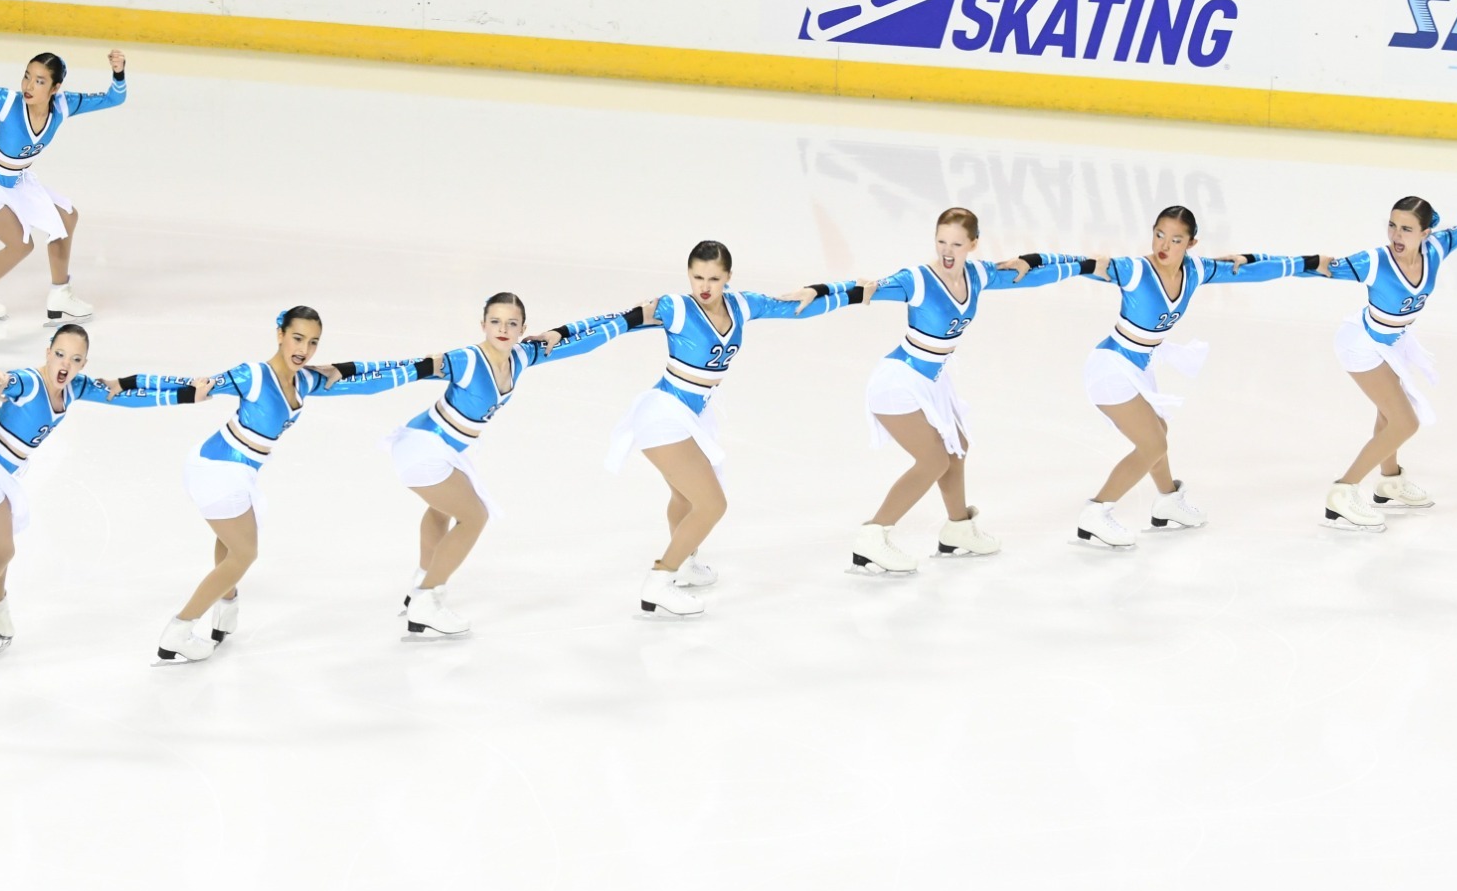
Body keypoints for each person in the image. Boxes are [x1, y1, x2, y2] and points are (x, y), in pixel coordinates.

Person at [534, 241, 857, 618]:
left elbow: (796, 308)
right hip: (663, 415)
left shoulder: (742, 305)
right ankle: (660, 581)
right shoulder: (675, 307)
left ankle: (685, 562)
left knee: (686, 500)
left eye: (714, 279)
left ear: (728, 277)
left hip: (694, 414)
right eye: (697, 277)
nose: (704, 286)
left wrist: (836, 291)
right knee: (712, 505)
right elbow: (617, 322)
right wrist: (561, 332)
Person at [156, 307, 431, 664]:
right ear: (280, 335)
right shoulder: (253, 375)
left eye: (313, 342)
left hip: (237, 471)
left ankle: (225, 608)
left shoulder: (305, 381)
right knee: (244, 553)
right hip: (216, 469)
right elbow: (192, 385)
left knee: (230, 542)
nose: (304, 349)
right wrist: (122, 387)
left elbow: (366, 382)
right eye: (298, 338)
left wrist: (418, 368)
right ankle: (179, 630)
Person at [0, 324, 193, 671]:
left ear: (84, 363)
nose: (66, 364)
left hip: (1, 473)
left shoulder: (75, 387)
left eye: (76, 359)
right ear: (48, 353)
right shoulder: (27, 382)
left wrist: (187, 394)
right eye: (60, 354)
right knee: (2, 552)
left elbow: (125, 396)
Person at [1048, 207, 1318, 547]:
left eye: (1176, 240)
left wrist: (1309, 263)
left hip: (1139, 366)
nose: (1164, 245)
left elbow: (1252, 272)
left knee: (1159, 431)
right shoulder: (1134, 270)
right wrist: (1032, 261)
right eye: (1159, 234)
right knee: (1153, 444)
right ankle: (1096, 512)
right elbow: (1076, 264)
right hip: (1110, 367)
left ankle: (1167, 501)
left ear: (1191, 243)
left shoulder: (1196, 270)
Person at [836, 209, 1084, 574]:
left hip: (933, 380)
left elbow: (1030, 276)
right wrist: (823, 291)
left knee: (957, 447)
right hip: (899, 381)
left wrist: (1078, 264)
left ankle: (958, 529)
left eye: (955, 244)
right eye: (941, 242)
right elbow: (865, 289)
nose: (946, 251)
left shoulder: (978, 275)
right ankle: (873, 536)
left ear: (973, 244)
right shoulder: (917, 279)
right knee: (934, 461)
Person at [382, 293, 620, 637]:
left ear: (523, 328)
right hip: (423, 446)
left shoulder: (522, 355)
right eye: (495, 322)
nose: (503, 329)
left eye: (511, 323)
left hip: (450, 448)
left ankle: (421, 580)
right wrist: (339, 374)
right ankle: (426, 600)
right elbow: (397, 371)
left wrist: (577, 329)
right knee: (474, 516)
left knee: (441, 509)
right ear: (483, 325)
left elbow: (579, 344)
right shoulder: (465, 360)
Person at [1310, 160, 1457, 530]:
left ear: (1425, 232)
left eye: (1407, 228)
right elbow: (1323, 266)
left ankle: (1390, 481)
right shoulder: (1375, 261)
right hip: (1361, 344)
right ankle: (1343, 491)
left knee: (1389, 414)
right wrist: (1266, 264)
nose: (1396, 234)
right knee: (1405, 421)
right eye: (1392, 225)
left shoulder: (1438, 248)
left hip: (1391, 343)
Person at [0, 50, 126, 325]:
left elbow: (114, 98)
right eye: (27, 77)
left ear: (55, 88)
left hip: (17, 182)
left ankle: (60, 294)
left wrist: (118, 72)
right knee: (21, 245)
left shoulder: (64, 105)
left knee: (66, 217)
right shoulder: (7, 102)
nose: (29, 86)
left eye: (40, 81)